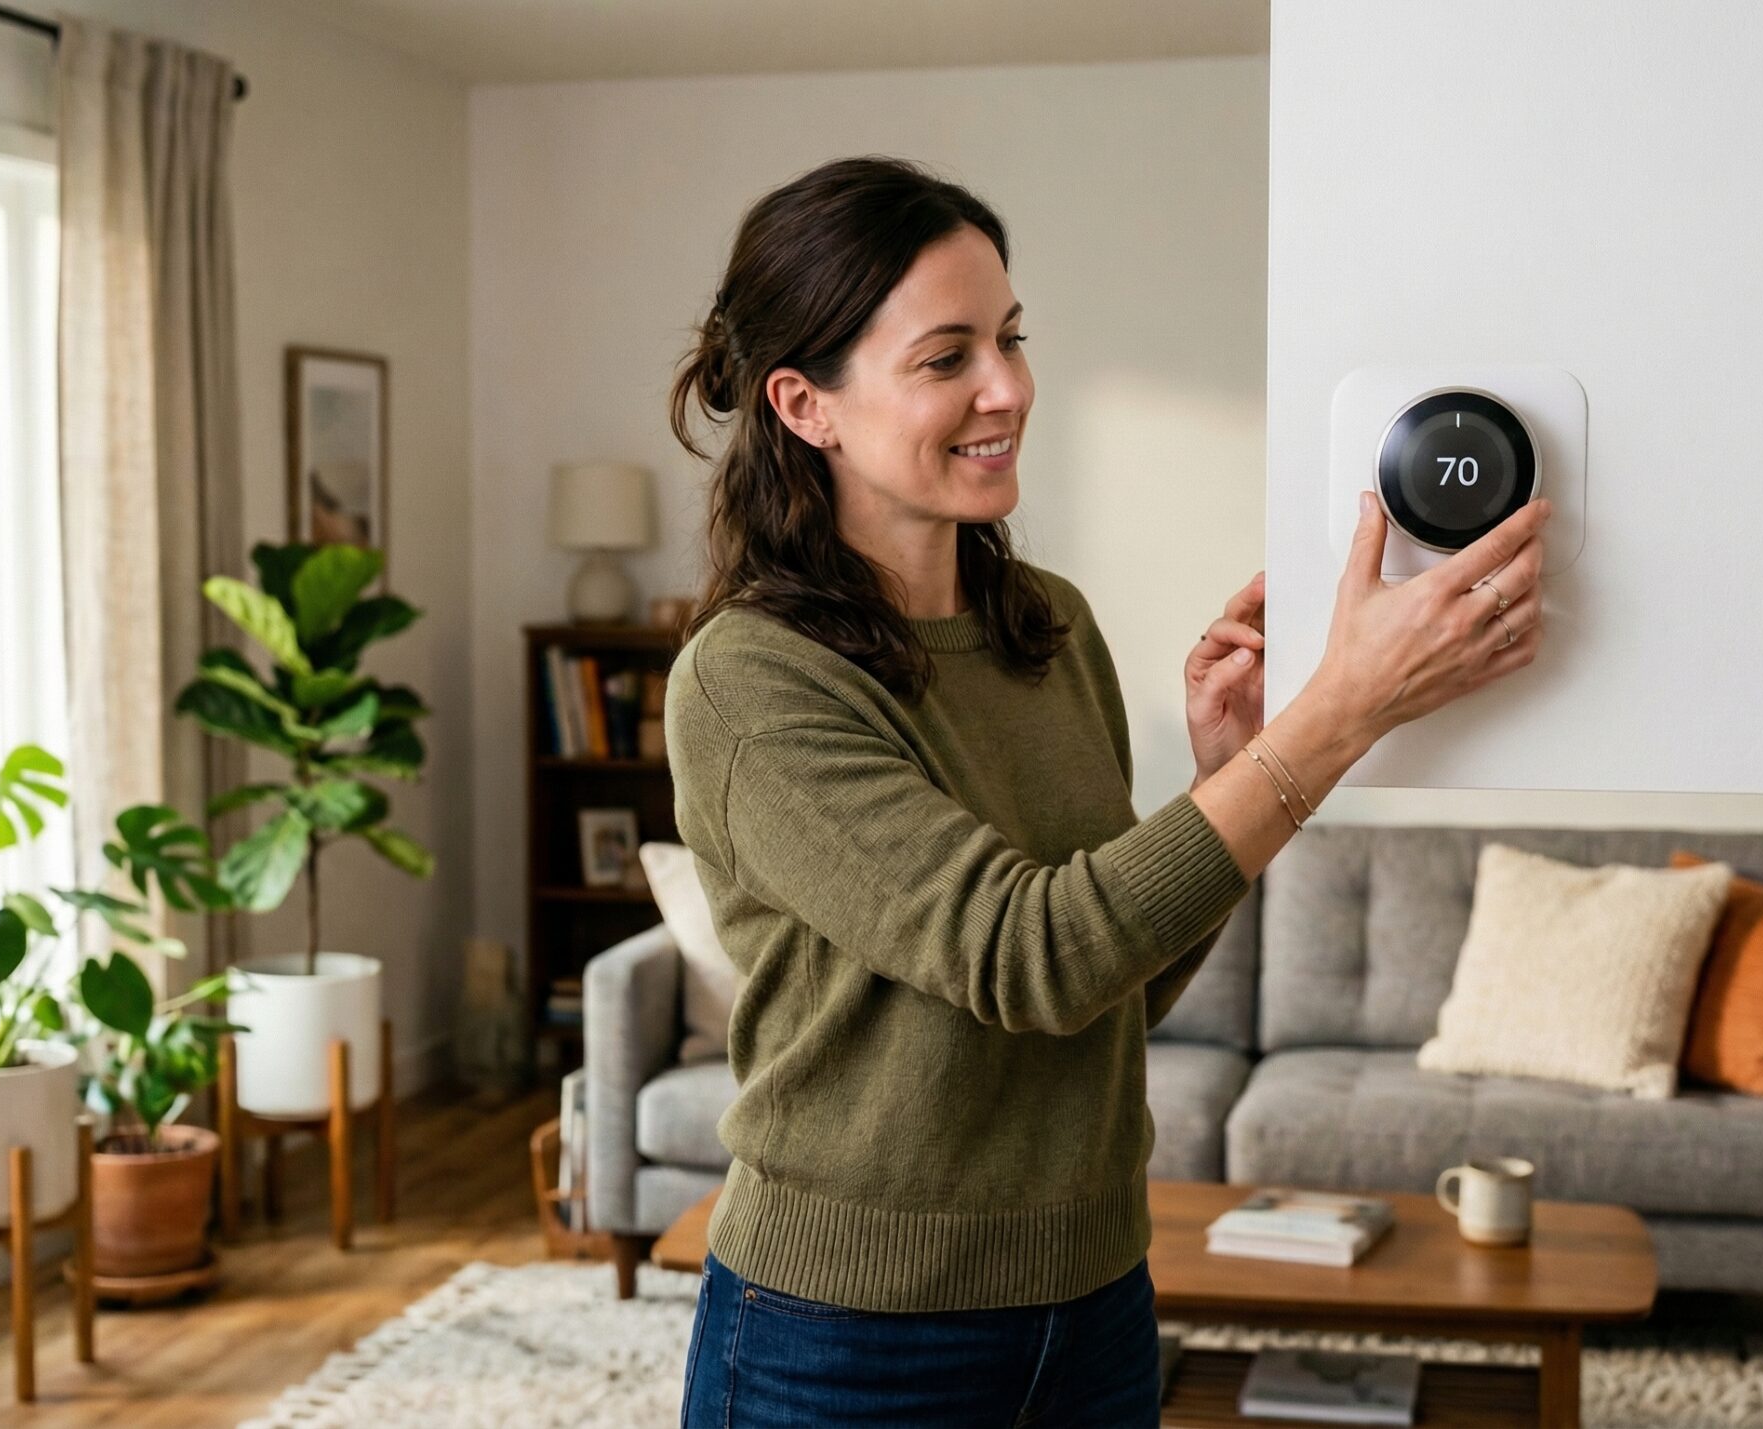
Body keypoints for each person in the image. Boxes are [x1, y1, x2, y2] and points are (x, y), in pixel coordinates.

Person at [662, 155, 1549, 1428]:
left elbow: (1110, 991)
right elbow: (1028, 953)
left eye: (1011, 340)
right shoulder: (749, 681)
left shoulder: (1045, 626)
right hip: (848, 1334)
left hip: (1094, 1300)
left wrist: (1221, 777)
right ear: (806, 405)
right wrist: (1332, 718)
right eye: (945, 356)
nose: (1009, 388)